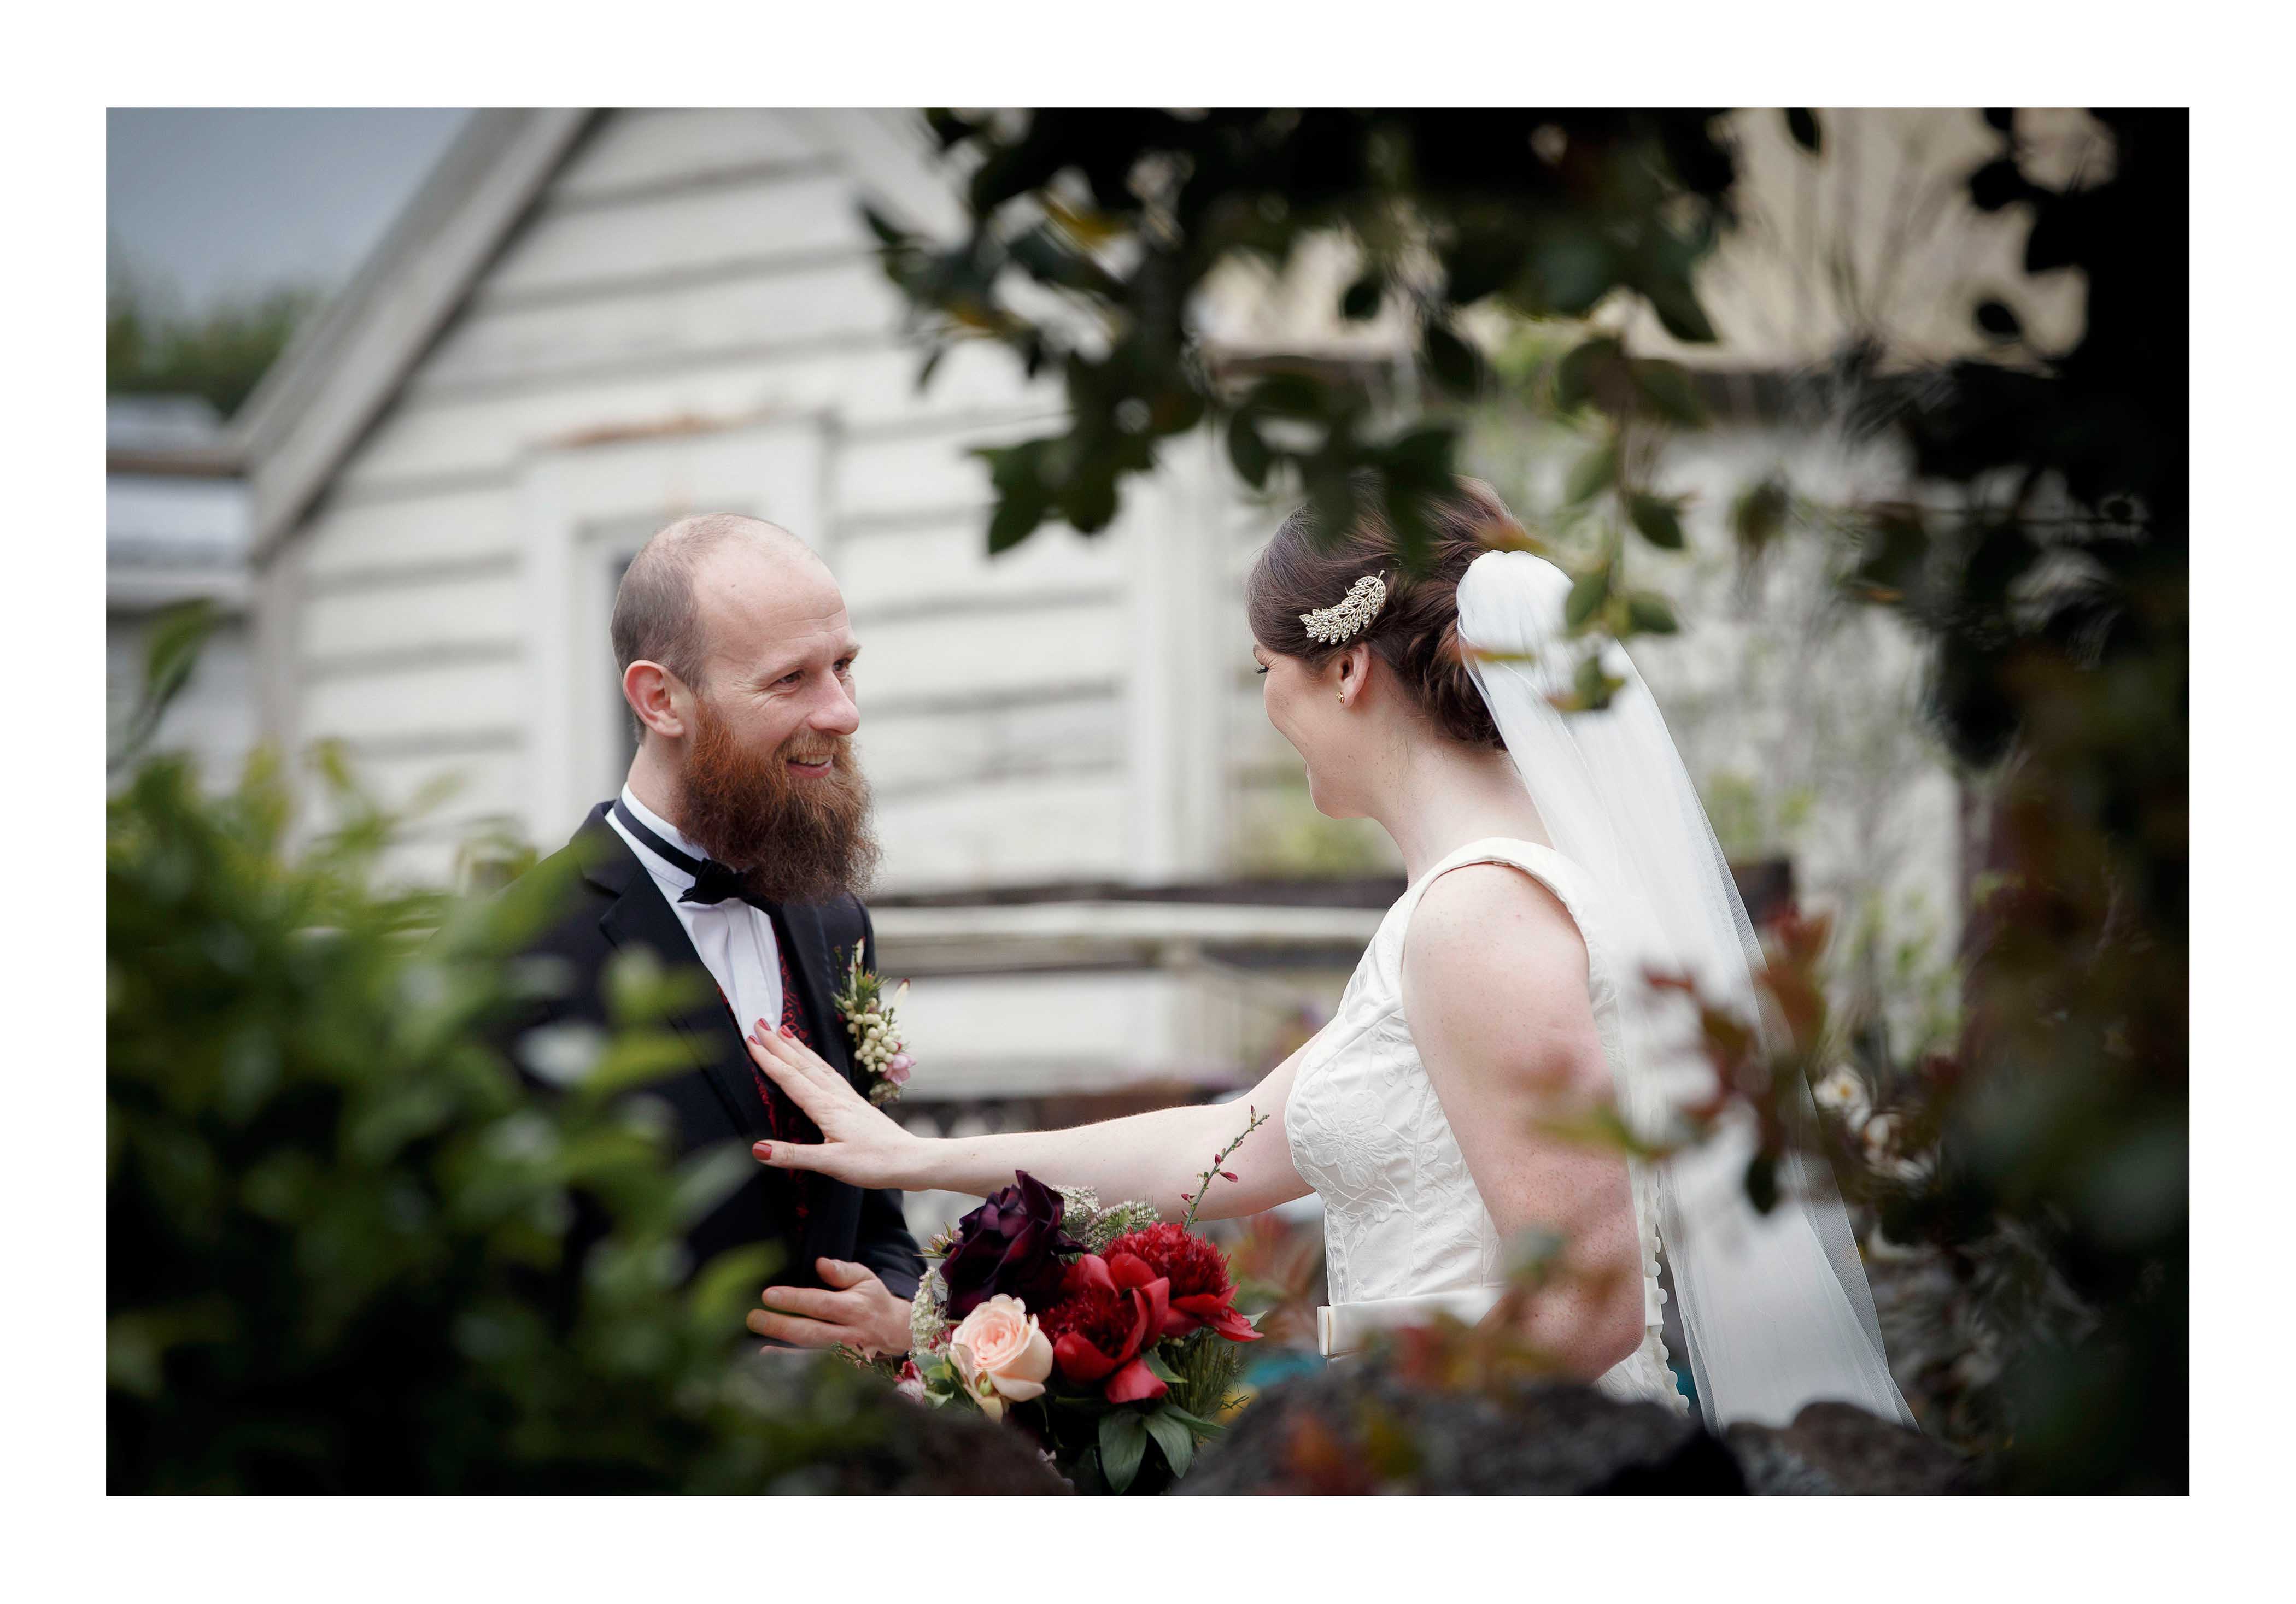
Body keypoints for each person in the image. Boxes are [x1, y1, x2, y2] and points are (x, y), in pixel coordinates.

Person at [738, 478, 1913, 1430]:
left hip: (1509, 1475)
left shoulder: (1481, 917)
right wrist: (917, 1158)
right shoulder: (1457, 903)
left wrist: (1307, 1396)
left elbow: (1590, 1302)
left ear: (1347, 667)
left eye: (1268, 675)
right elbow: (1229, 1144)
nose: (1269, 708)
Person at [498, 513, 922, 1358]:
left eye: (842, 667)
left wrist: (896, 1315)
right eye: (792, 680)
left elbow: (879, 1224)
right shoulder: (523, 955)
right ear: (661, 700)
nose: (842, 713)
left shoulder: (837, 918)